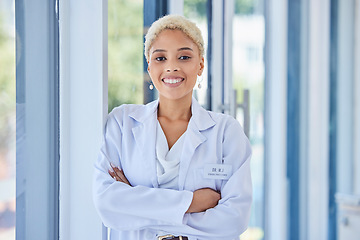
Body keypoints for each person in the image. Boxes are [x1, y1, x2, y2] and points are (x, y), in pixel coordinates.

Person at [93, 14, 252, 240]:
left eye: (184, 57)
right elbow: (107, 203)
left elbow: (234, 219)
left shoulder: (226, 132)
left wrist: (136, 206)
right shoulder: (122, 122)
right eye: (160, 58)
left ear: (200, 65)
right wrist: (192, 202)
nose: (172, 67)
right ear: (149, 66)